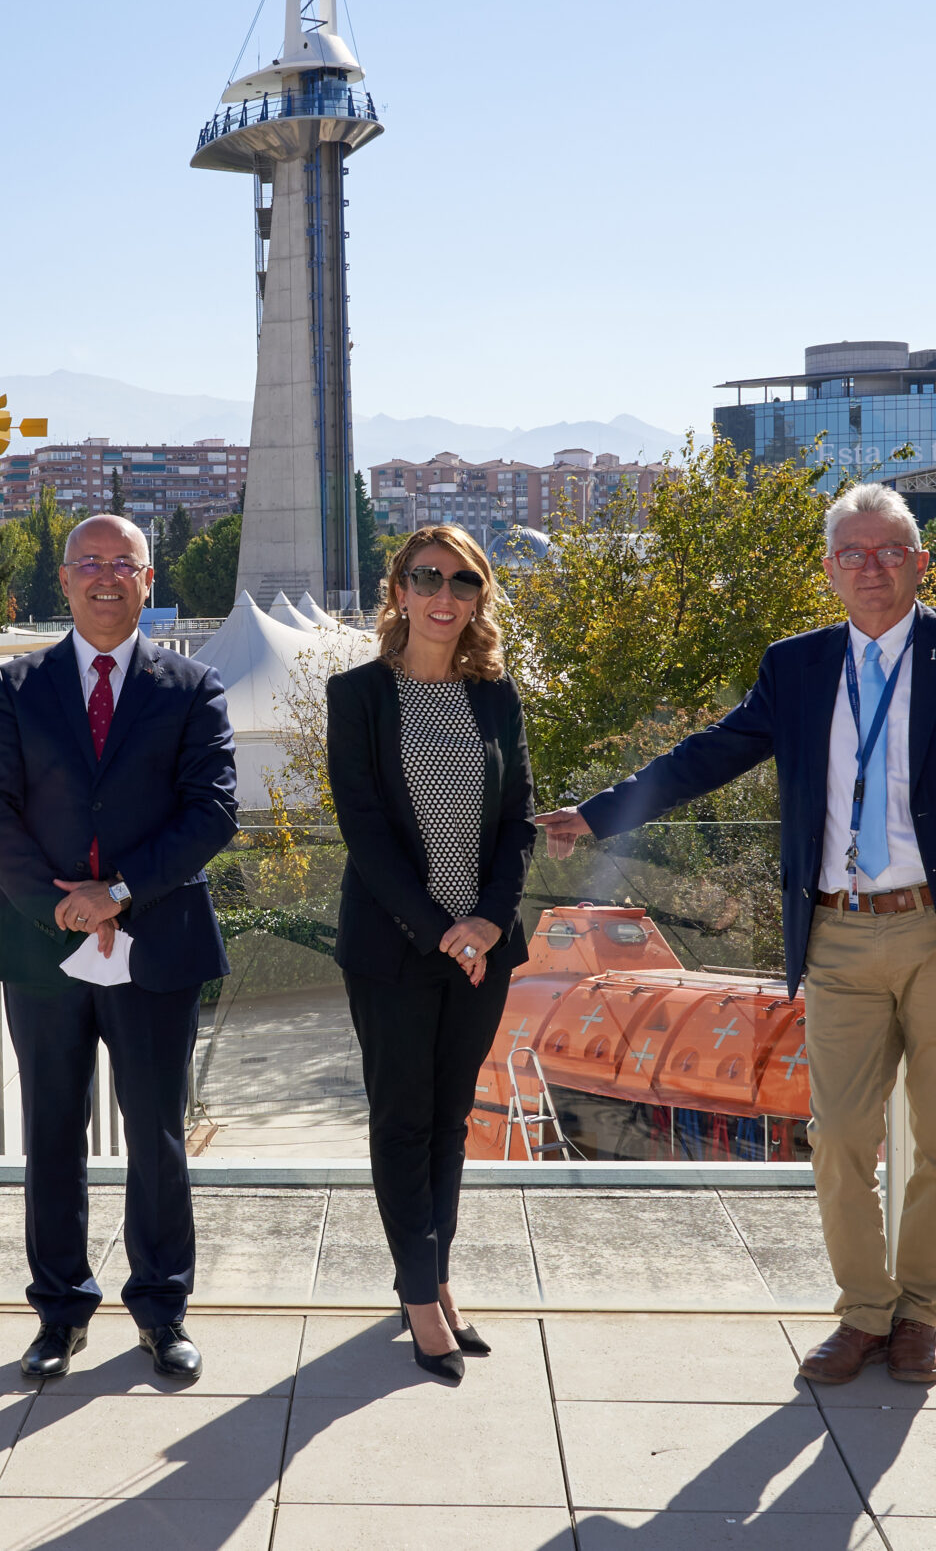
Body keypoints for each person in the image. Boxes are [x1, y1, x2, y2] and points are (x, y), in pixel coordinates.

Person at [536, 482, 936, 1388]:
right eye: (852, 552)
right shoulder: (798, 666)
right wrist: (602, 814)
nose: (873, 567)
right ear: (829, 570)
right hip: (840, 935)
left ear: (921, 563)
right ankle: (862, 1312)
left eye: (890, 550)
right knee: (839, 1133)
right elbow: (710, 753)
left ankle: (920, 1313)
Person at [0, 513, 239, 1383]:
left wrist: (115, 893)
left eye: (125, 563)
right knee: (51, 1131)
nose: (107, 576)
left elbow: (213, 813)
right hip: (43, 947)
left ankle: (162, 1309)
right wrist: (63, 907)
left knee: (156, 1133)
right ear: (65, 576)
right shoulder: (13, 683)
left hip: (156, 943)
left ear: (149, 580)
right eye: (91, 562)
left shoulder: (195, 686)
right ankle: (59, 1311)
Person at [327, 527, 536, 1383]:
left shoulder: (498, 698)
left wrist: (486, 922)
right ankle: (420, 1297)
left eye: (461, 580)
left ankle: (436, 1274)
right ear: (399, 591)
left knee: (451, 1121)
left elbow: (520, 821)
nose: (443, 593)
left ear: (478, 596)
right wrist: (441, 929)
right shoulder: (358, 695)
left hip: (481, 950)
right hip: (394, 946)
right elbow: (367, 833)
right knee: (402, 1119)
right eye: (426, 577)